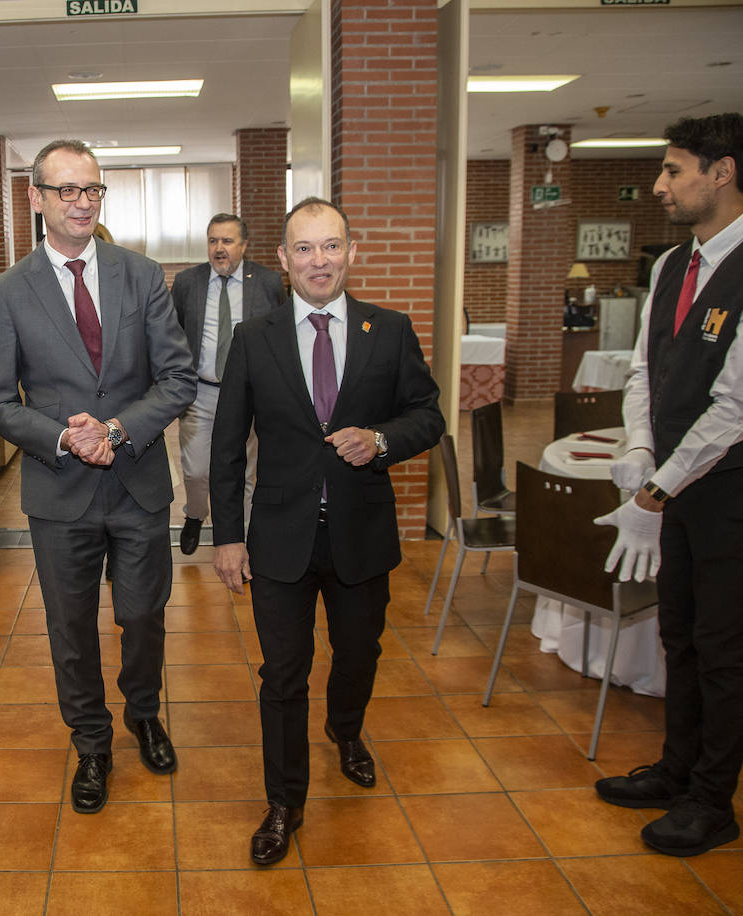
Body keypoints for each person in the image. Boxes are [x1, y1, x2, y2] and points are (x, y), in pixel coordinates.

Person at [210, 197, 443, 866]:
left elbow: (427, 417)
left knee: (358, 653)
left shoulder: (389, 331)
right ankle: (284, 802)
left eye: (332, 246)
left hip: (361, 535)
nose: (320, 260)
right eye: (305, 248)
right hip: (278, 537)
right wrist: (228, 536)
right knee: (282, 673)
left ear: (351, 252)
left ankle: (346, 731)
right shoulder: (255, 338)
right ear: (282, 260)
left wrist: (380, 438)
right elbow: (226, 446)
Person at [592, 113, 743, 857]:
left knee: (721, 644)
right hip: (673, 488)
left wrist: (657, 491)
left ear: (723, 174)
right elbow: (647, 369)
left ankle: (714, 801)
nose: (660, 185)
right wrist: (642, 452)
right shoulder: (671, 266)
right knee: (676, 633)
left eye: (674, 170)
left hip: (733, 492)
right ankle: (676, 770)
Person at [0, 139, 196, 813]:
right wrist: (66, 439)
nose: (80, 202)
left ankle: (142, 711)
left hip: (135, 479)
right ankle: (93, 744)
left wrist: (115, 431)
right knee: (70, 628)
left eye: (91, 189)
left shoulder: (141, 275)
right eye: (65, 190)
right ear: (37, 198)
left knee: (142, 614)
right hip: (58, 490)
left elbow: (178, 377)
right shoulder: (10, 292)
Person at [171, 212, 285, 554]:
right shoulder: (187, 283)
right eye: (213, 241)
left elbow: (281, 336)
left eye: (227, 241)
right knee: (195, 470)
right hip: (200, 391)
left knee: (246, 472)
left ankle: (245, 542)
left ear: (244, 245)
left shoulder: (267, 283)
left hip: (248, 395)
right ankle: (196, 513)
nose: (219, 249)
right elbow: (172, 334)